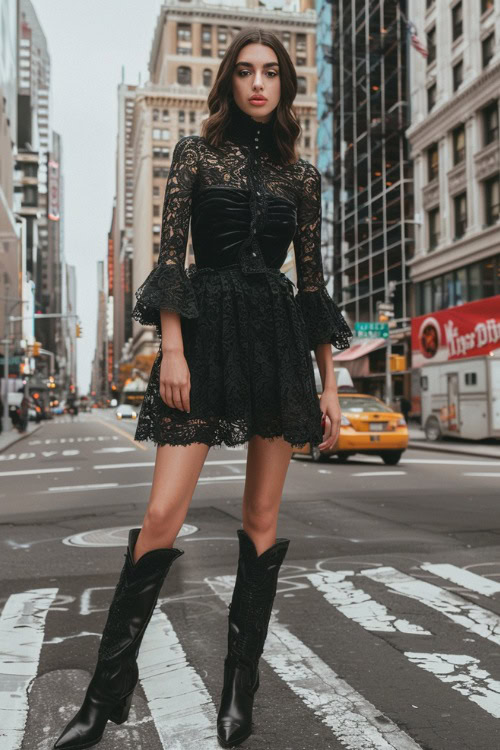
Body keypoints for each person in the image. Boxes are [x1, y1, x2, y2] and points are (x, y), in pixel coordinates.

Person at [53, 28, 352, 750]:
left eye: (270, 73)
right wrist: (173, 350)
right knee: (161, 514)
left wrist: (330, 385)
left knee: (260, 517)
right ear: (228, 81)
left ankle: (236, 699)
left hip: (277, 341)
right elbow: (169, 259)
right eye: (245, 71)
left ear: (284, 86)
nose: (258, 83)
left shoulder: (302, 177)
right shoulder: (195, 153)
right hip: (207, 334)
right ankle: (101, 703)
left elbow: (310, 286)